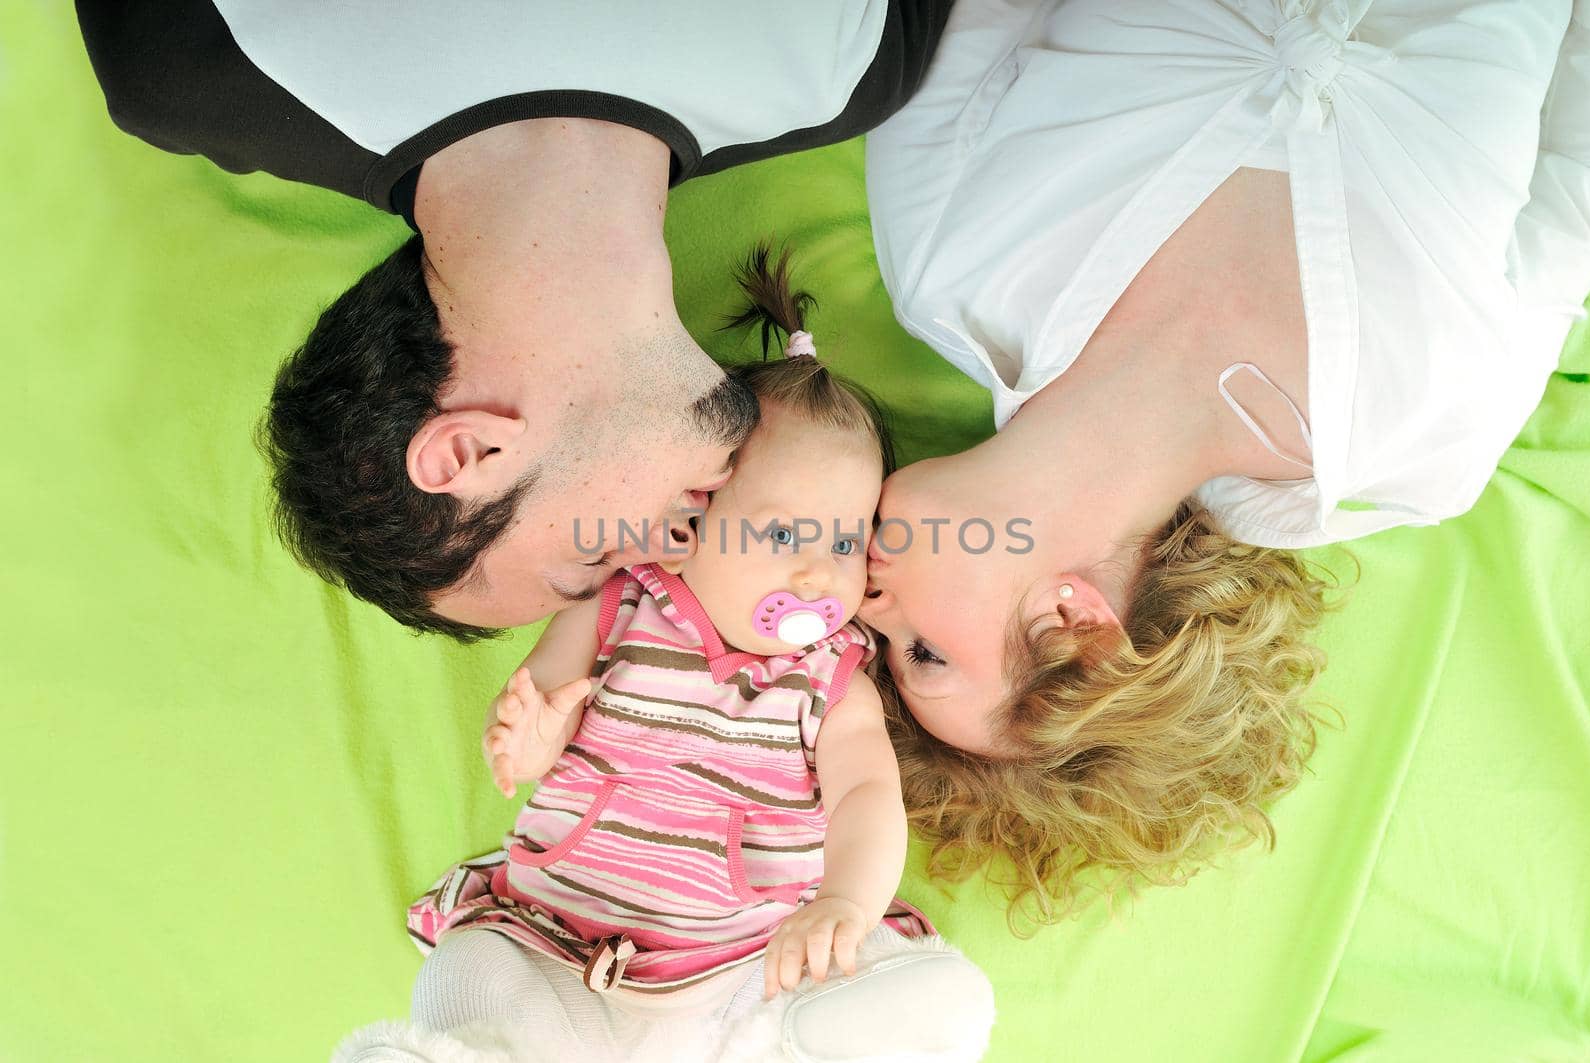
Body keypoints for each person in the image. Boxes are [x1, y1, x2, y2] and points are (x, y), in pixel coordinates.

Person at [858, 0, 1590, 920]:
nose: (861, 602)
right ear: (1075, 624)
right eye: (921, 652)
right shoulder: (1414, 445)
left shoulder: (939, 260)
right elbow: (1582, 177)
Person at [74, 0, 954, 638]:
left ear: (466, 453)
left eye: (592, 562)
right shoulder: (860, 65)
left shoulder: (196, 52)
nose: (666, 552)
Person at [336, 256, 994, 1062]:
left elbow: (866, 795)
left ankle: (808, 1039)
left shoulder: (831, 679)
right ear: (688, 522)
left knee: (887, 991)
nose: (820, 571)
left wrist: (846, 904)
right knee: (472, 964)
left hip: (738, 968)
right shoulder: (613, 603)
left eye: (847, 539)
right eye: (782, 534)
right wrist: (531, 738)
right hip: (557, 941)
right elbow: (545, 696)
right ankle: (478, 1049)